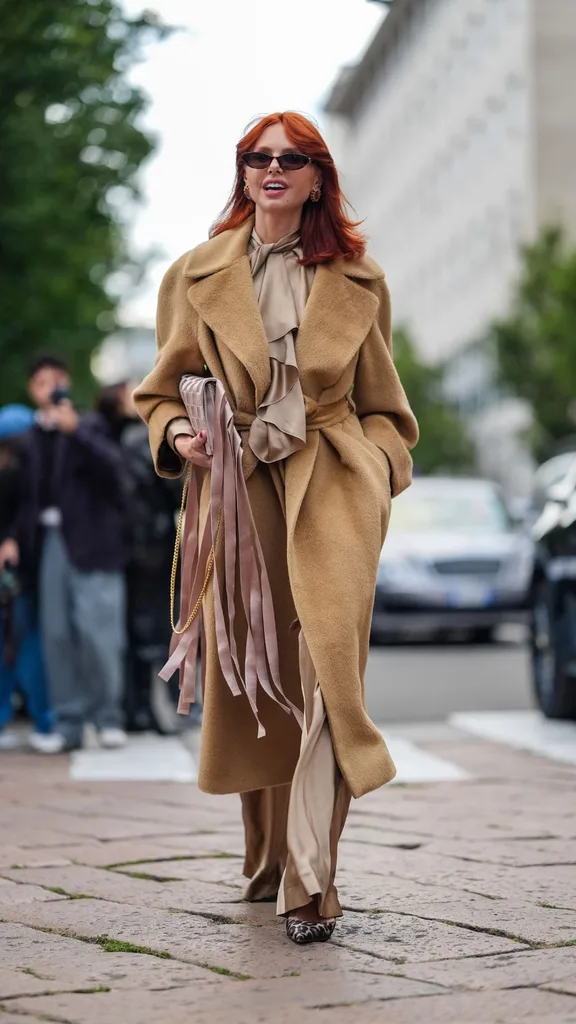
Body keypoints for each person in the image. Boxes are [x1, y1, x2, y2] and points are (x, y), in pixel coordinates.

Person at [134, 112, 418, 945]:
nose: (272, 169)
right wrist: (180, 437)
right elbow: (160, 389)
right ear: (242, 172)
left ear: (318, 177)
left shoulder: (360, 279)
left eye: (291, 159)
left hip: (332, 488)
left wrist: (376, 471)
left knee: (330, 679)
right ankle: (265, 857)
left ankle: (310, 883)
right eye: (257, 158)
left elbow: (390, 413)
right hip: (237, 491)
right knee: (258, 679)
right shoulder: (195, 273)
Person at [0, 354, 127, 753]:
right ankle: (69, 724)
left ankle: (108, 717)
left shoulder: (91, 425)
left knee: (99, 635)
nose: (48, 388)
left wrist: (76, 433)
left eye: (55, 380)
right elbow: (19, 498)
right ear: (32, 391)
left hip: (94, 545)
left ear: (68, 384)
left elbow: (115, 473)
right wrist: (9, 537)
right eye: (40, 382)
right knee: (55, 635)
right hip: (47, 545)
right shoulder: (30, 438)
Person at [96, 381, 183, 734]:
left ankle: (137, 708)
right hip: (152, 546)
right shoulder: (140, 438)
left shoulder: (110, 438)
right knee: (155, 628)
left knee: (135, 630)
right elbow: (173, 488)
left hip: (127, 546)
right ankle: (150, 709)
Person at [0, 404, 56, 751]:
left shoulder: (31, 472)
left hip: (24, 577)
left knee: (28, 647)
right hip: (19, 577)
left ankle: (44, 719)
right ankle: (41, 719)